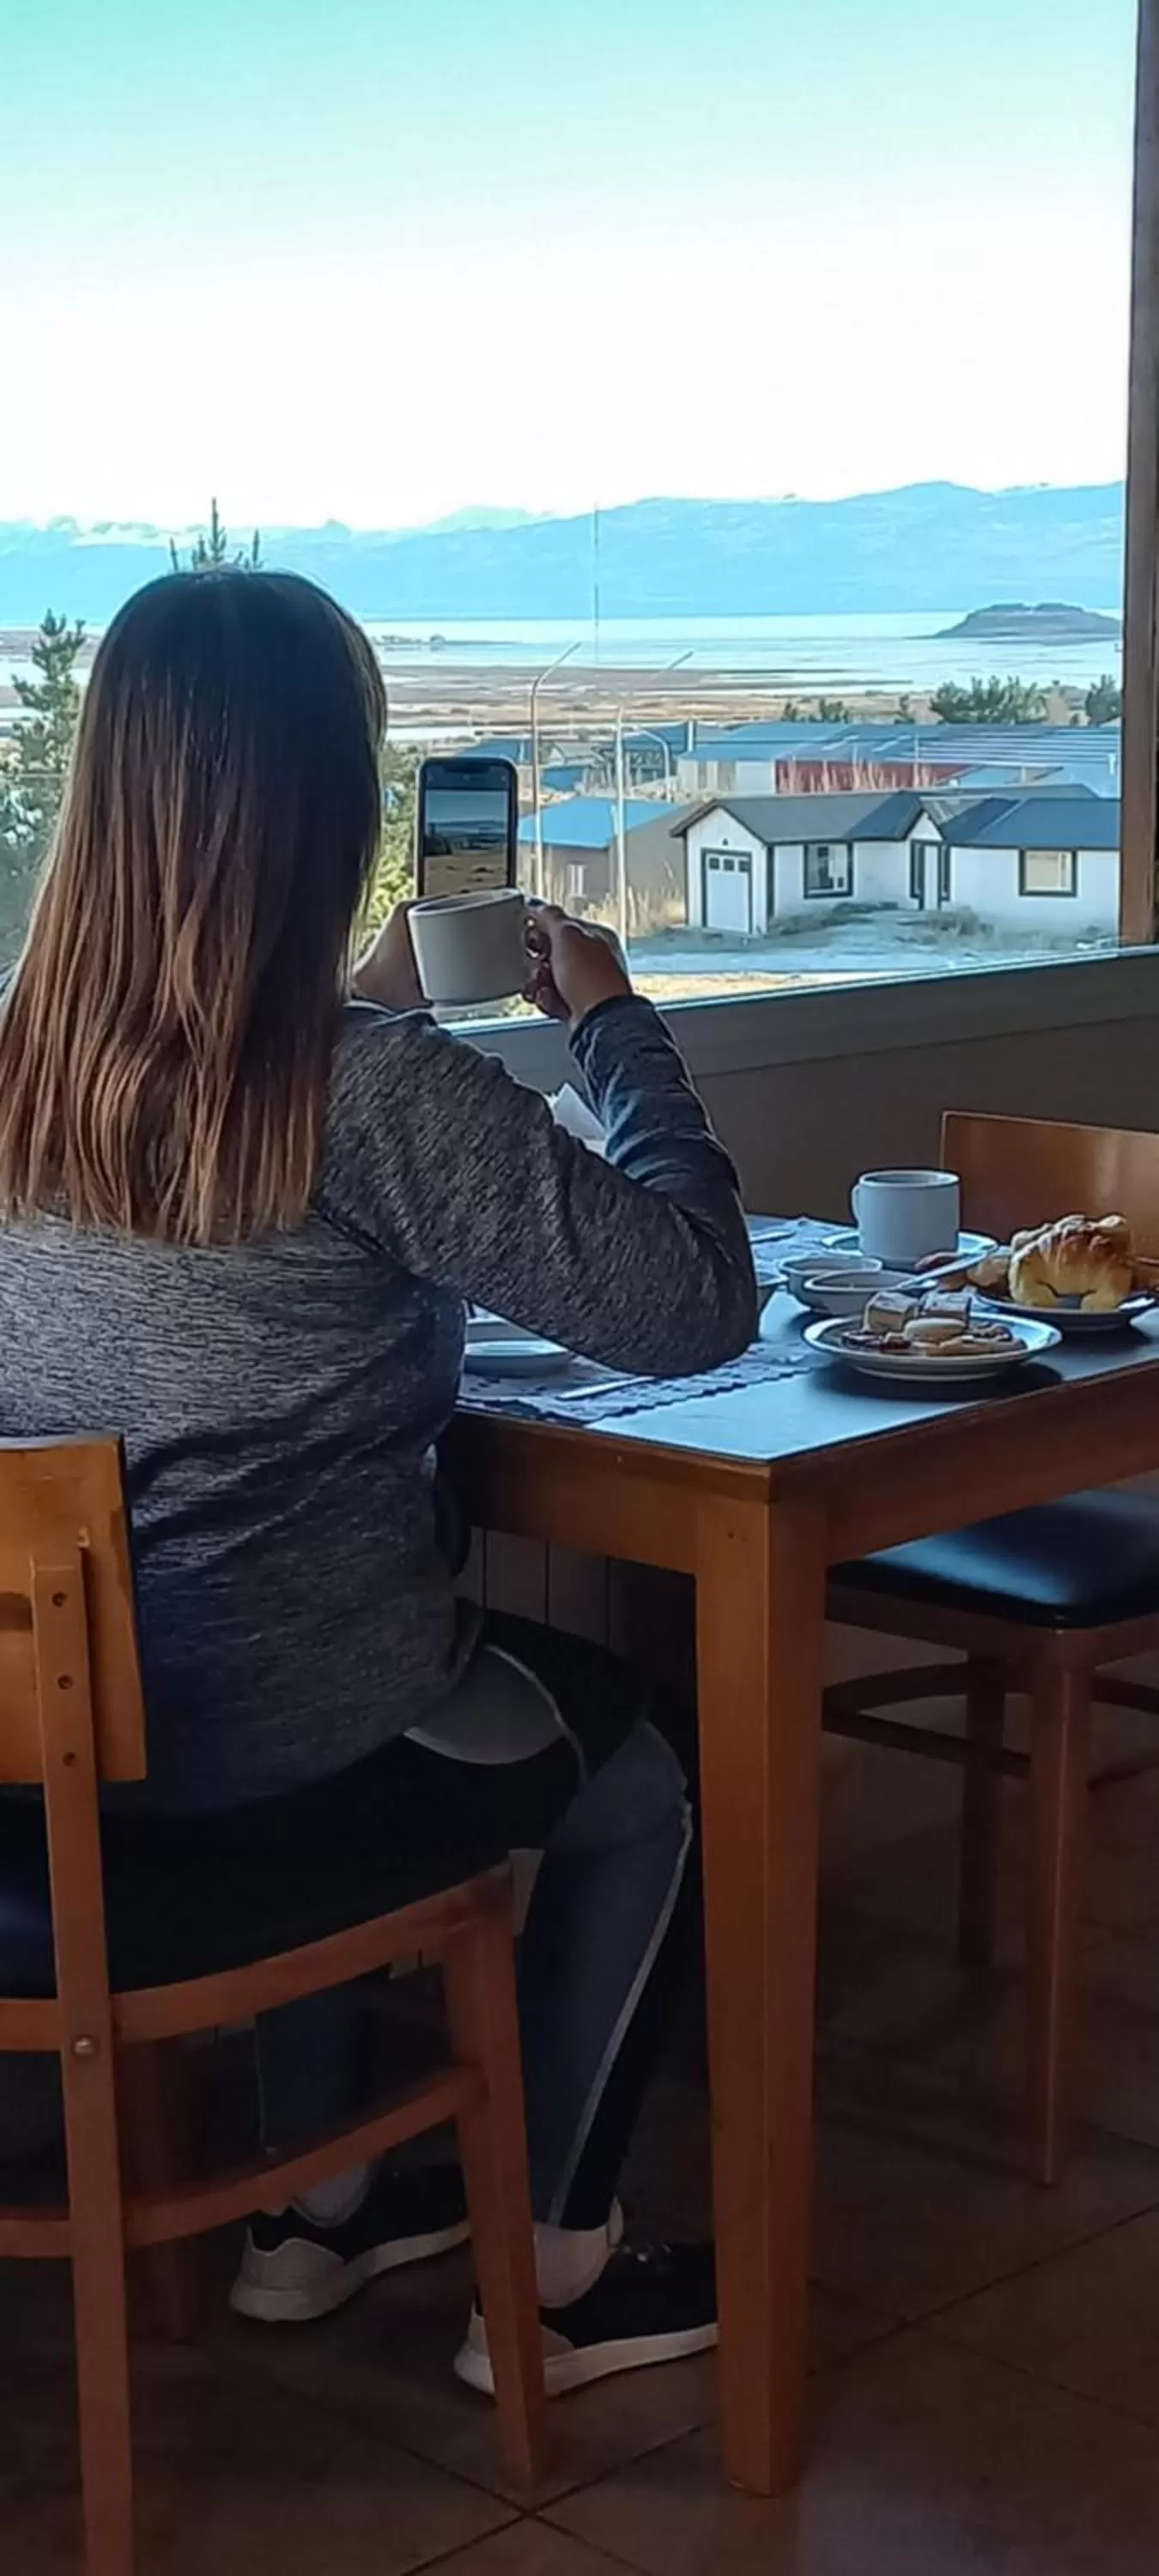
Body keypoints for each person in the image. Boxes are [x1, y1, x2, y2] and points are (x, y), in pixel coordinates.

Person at [0, 569, 757, 2395]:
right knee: (639, 1776)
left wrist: (356, 996)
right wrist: (613, 1022)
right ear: (333, 808)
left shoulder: (24, 1066)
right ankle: (555, 2274)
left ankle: (316, 2211)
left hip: (55, 1777)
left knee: (337, 1675)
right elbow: (691, 1303)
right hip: (281, 1758)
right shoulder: (372, 1093)